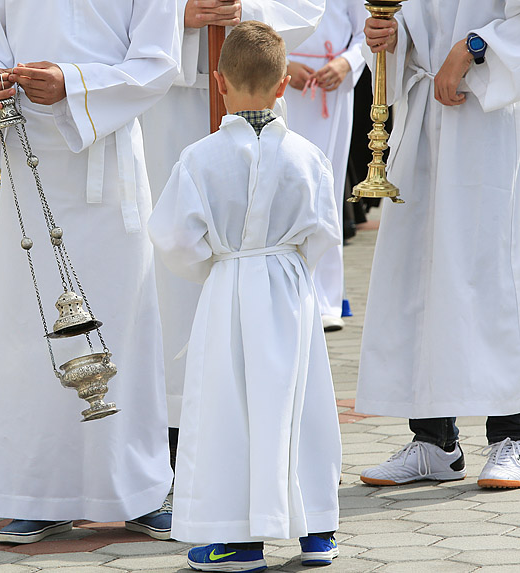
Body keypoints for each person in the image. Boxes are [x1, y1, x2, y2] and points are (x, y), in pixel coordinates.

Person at [0, 0, 178, 544]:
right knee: (26, 336)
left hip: (106, 167)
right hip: (28, 158)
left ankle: (136, 491)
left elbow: (157, 61)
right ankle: (36, 492)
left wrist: (74, 85)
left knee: (120, 329)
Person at [149, 21, 343, 571]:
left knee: (228, 406)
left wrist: (215, 266)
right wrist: (288, 264)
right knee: (301, 402)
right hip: (290, 288)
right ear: (284, 85)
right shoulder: (308, 155)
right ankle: (316, 533)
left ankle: (238, 540)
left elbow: (173, 239)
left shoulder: (200, 158)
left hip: (229, 287)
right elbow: (325, 233)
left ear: (219, 82)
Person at [139, 0, 325, 463]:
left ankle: (260, 442)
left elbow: (307, 7)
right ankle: (177, 435)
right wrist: (177, 15)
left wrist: (247, 10)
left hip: (249, 95)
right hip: (167, 95)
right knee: (172, 295)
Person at [356, 2, 520, 489]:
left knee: (492, 274)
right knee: (420, 278)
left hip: (489, 124)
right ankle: (434, 441)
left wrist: (475, 48)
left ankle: (511, 435)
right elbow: (413, 26)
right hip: (424, 118)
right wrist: (390, 36)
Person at [285, 0, 367, 332]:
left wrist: (346, 63)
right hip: (282, 86)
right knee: (287, 188)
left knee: (327, 190)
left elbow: (367, 28)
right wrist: (282, 64)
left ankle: (326, 298)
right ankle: (290, 293)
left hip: (331, 87)